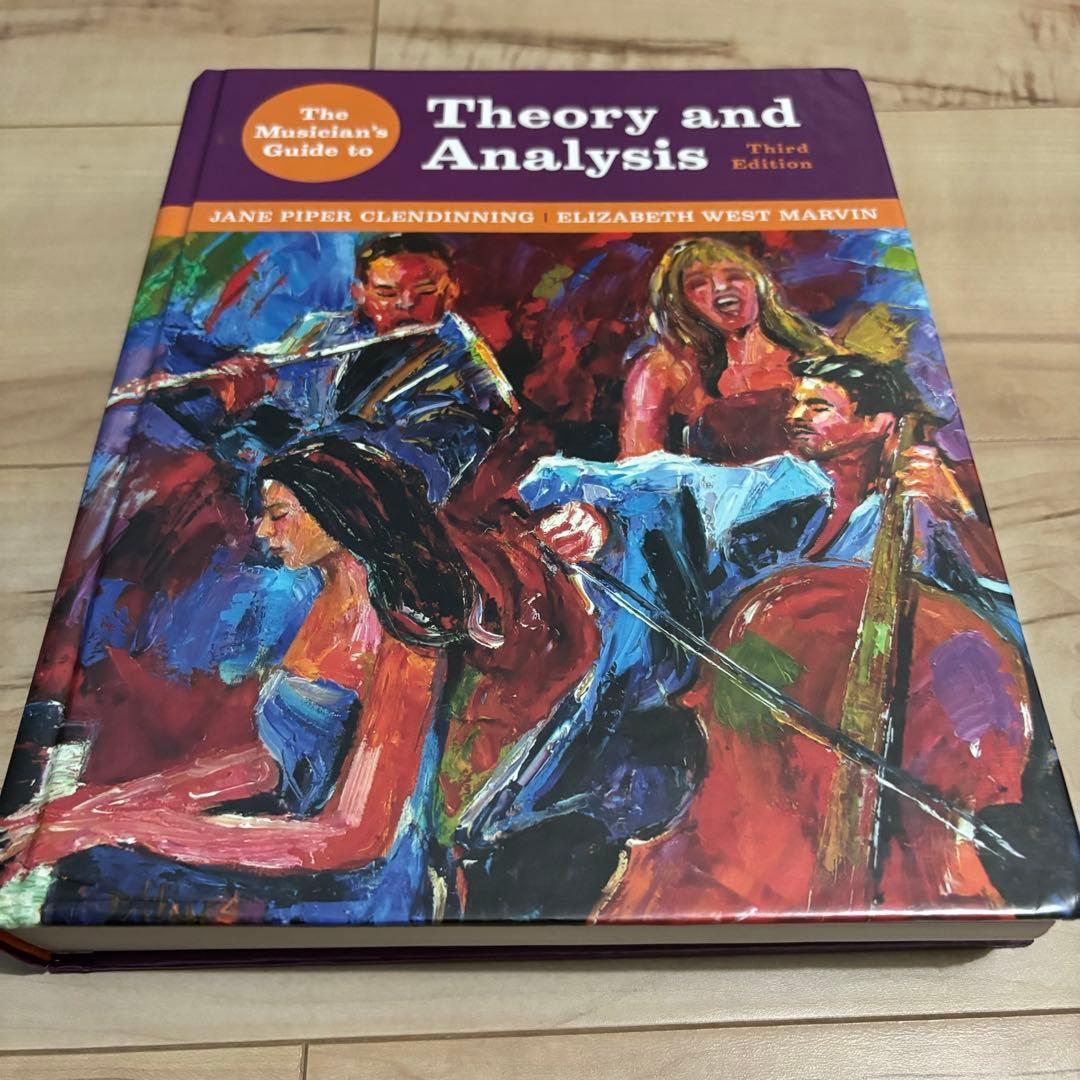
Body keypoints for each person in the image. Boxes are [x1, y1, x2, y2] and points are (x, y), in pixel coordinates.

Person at [594, 354, 1035, 922]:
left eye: (818, 405)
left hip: (901, 748)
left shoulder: (923, 505)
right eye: (796, 402)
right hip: (768, 752)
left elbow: (1004, 595)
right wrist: (588, 510)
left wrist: (958, 511)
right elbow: (664, 484)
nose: (798, 415)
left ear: (878, 422)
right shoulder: (780, 484)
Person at [0, 438, 483, 925]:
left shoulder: (408, 638)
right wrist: (103, 807)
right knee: (86, 854)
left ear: (340, 515)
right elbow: (274, 763)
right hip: (296, 847)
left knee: (98, 877)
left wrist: (133, 828)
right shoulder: (330, 599)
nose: (262, 530)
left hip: (358, 890)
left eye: (278, 514)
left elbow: (357, 837)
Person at [621, 236, 835, 462]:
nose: (721, 287)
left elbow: (850, 430)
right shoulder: (663, 368)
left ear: (758, 285)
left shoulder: (809, 349)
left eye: (735, 276)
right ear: (679, 301)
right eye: (698, 283)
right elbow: (638, 460)